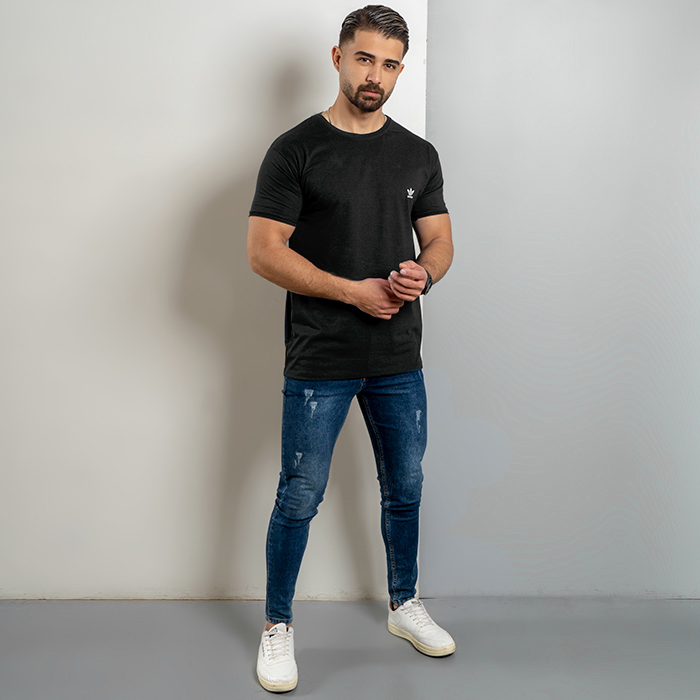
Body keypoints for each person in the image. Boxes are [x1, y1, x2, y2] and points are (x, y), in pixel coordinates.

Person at [247, 5, 455, 693]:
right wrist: (351, 293)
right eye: (365, 59)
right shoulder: (295, 150)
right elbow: (264, 252)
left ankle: (404, 603)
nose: (376, 76)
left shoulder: (418, 154)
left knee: (406, 487)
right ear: (338, 58)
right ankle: (278, 625)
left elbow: (440, 240)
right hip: (321, 357)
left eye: (390, 64)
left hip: (398, 357)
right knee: (299, 495)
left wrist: (424, 273)